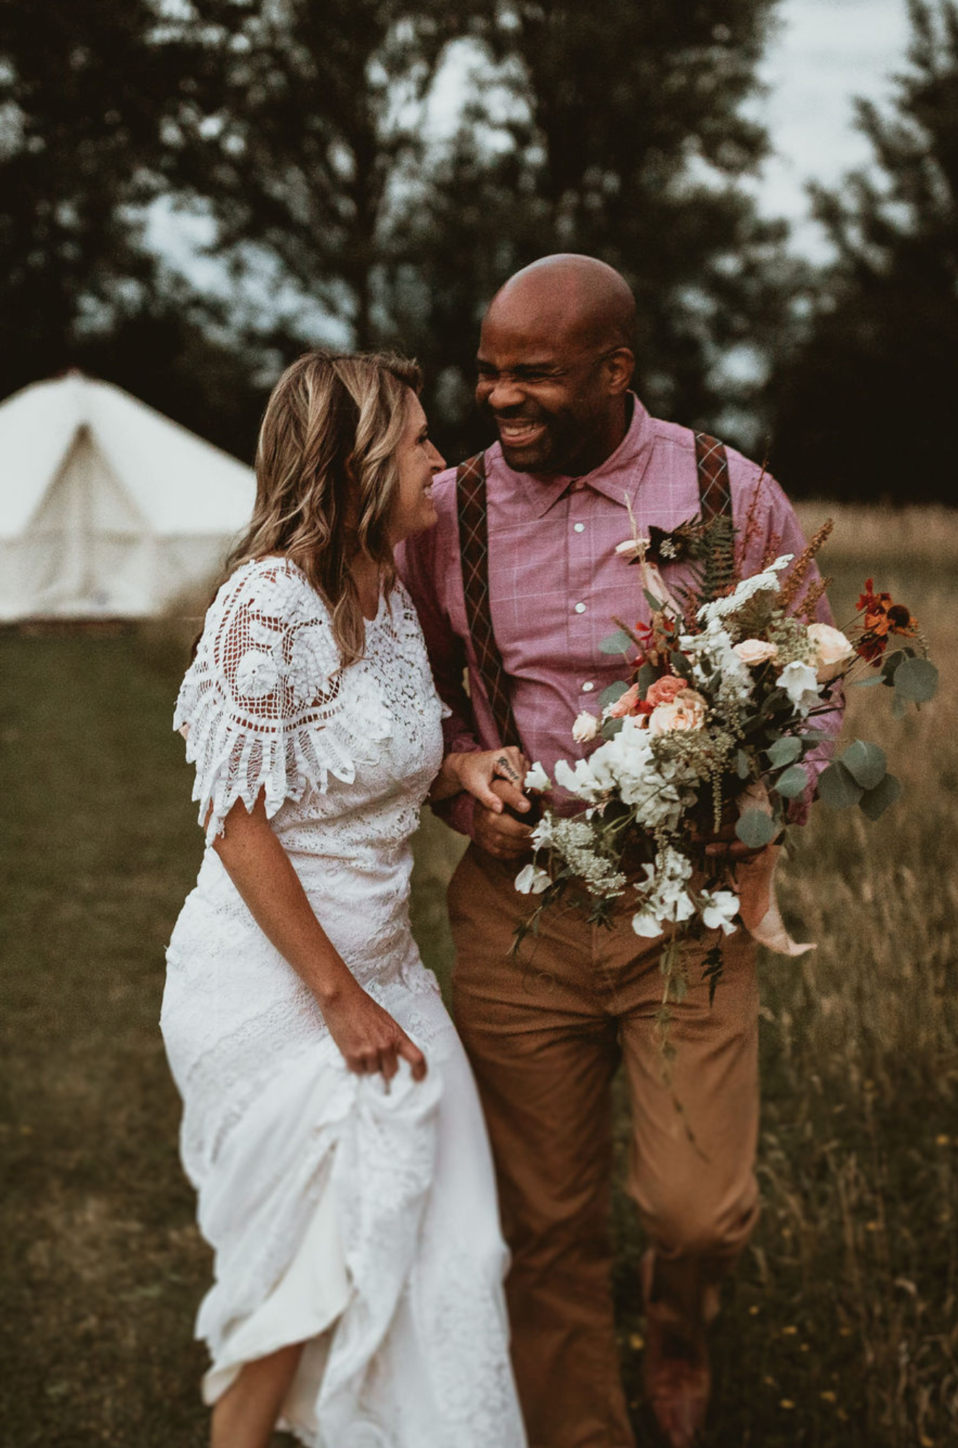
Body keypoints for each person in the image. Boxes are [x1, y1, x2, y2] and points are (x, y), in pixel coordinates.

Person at [399, 255, 841, 1448]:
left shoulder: (728, 491)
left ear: (614, 368)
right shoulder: (447, 513)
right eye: (487, 373)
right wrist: (454, 786)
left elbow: (815, 686)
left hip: (689, 911)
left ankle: (682, 1317)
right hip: (515, 906)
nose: (498, 398)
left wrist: (753, 798)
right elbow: (406, 695)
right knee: (543, 1221)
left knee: (694, 1211)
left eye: (532, 375)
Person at [160, 350, 529, 1448]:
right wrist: (335, 998)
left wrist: (458, 771)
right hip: (277, 987)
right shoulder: (266, 602)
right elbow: (237, 819)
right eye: (419, 438)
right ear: (358, 461)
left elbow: (363, 767)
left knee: (455, 1242)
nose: (439, 458)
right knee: (302, 1274)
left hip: (384, 970)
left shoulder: (389, 591)